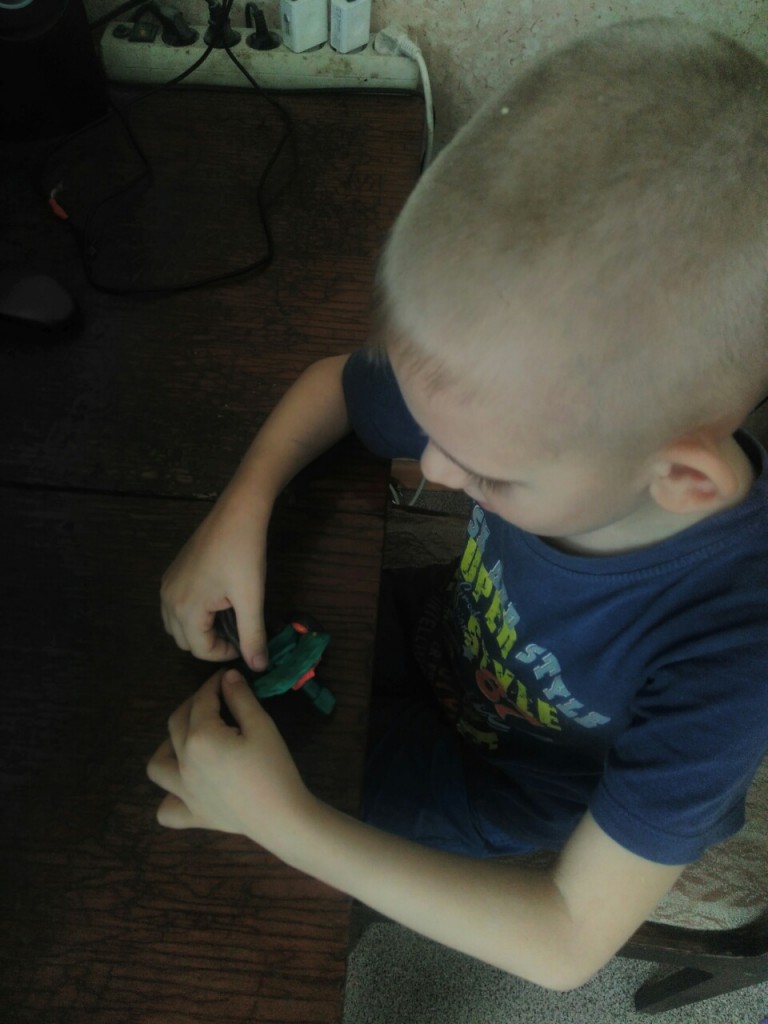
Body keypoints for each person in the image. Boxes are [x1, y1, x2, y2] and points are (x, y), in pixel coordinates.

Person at [148, 18, 768, 991]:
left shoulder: (735, 659)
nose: (434, 472)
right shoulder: (532, 396)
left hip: (500, 785)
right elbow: (337, 387)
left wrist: (286, 824)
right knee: (187, 698)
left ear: (682, 479)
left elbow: (566, 942)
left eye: (487, 472)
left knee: (197, 834)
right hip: (439, 633)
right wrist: (240, 506)